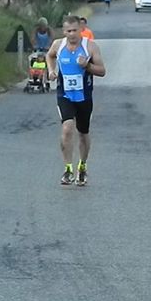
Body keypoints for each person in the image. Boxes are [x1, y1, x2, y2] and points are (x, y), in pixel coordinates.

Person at [46, 15, 106, 186]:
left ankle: (82, 166)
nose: (72, 34)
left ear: (81, 30)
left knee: (83, 133)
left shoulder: (90, 47)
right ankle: (67, 169)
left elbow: (102, 71)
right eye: (68, 31)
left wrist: (87, 66)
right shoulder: (59, 45)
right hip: (65, 95)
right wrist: (51, 71)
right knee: (67, 128)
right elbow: (49, 56)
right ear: (64, 31)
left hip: (84, 96)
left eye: (75, 30)